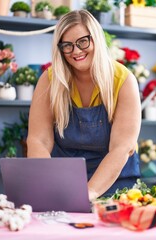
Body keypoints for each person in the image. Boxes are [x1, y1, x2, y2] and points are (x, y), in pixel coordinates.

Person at [27, 9, 141, 201]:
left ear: (95, 38)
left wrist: (90, 193)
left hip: (116, 184)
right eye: (67, 45)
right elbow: (39, 140)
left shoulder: (123, 80)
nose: (76, 51)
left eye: (83, 41)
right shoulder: (49, 80)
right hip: (63, 184)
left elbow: (121, 148)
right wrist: (45, 185)